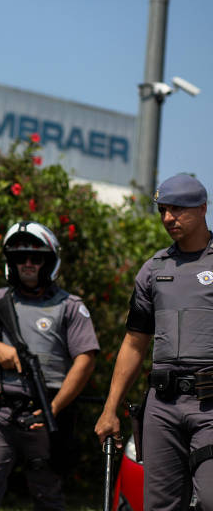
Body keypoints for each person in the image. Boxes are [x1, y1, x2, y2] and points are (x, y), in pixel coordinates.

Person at [0, 221, 99, 511]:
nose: (27, 263)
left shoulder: (70, 305)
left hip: (46, 413)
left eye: (35, 258)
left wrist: (54, 409)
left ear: (49, 261)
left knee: (48, 497)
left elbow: (86, 360)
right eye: (20, 257)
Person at [95, 173, 213, 510]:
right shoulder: (153, 270)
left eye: (178, 209)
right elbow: (134, 343)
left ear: (202, 208)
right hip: (162, 407)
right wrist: (110, 409)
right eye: (163, 210)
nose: (168, 218)